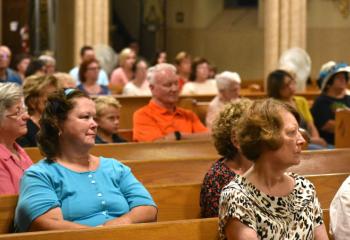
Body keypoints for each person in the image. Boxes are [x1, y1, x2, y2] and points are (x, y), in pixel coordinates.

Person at [14, 89, 157, 232]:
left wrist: (123, 223)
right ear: (57, 123)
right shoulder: (40, 175)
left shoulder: (114, 167)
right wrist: (99, 235)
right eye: (85, 117)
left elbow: (148, 208)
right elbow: (48, 224)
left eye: (94, 117)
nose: (94, 124)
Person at [219, 99, 328, 239]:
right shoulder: (237, 196)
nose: (302, 140)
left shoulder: (305, 188)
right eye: (291, 132)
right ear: (265, 138)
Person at [200, 99, 253, 218]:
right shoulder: (217, 178)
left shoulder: (265, 168)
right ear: (236, 140)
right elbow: (218, 225)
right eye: (255, 132)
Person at [133, 63, 209, 142]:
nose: (174, 89)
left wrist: (179, 136)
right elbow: (157, 146)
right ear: (152, 88)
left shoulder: (188, 115)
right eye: (168, 85)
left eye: (176, 83)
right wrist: (191, 138)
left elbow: (209, 138)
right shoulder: (142, 115)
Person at [267, 69, 328, 149]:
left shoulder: (301, 101)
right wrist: (313, 141)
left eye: (291, 82)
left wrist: (317, 139)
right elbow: (284, 133)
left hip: (308, 140)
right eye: (285, 86)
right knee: (321, 149)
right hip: (291, 143)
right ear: (277, 89)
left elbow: (311, 126)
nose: (290, 87)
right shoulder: (274, 106)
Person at [0, 83, 33, 195]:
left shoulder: (19, 150)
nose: (26, 116)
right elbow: (8, 206)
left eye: (25, 110)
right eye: (18, 112)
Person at [311, 62, 350, 145]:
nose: (343, 80)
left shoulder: (348, 98)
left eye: (344, 77)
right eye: (339, 77)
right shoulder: (321, 101)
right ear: (328, 83)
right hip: (329, 144)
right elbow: (328, 126)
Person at [17, 75, 61, 147]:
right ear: (32, 101)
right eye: (50, 97)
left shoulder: (57, 125)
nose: (55, 101)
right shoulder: (23, 128)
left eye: (56, 95)